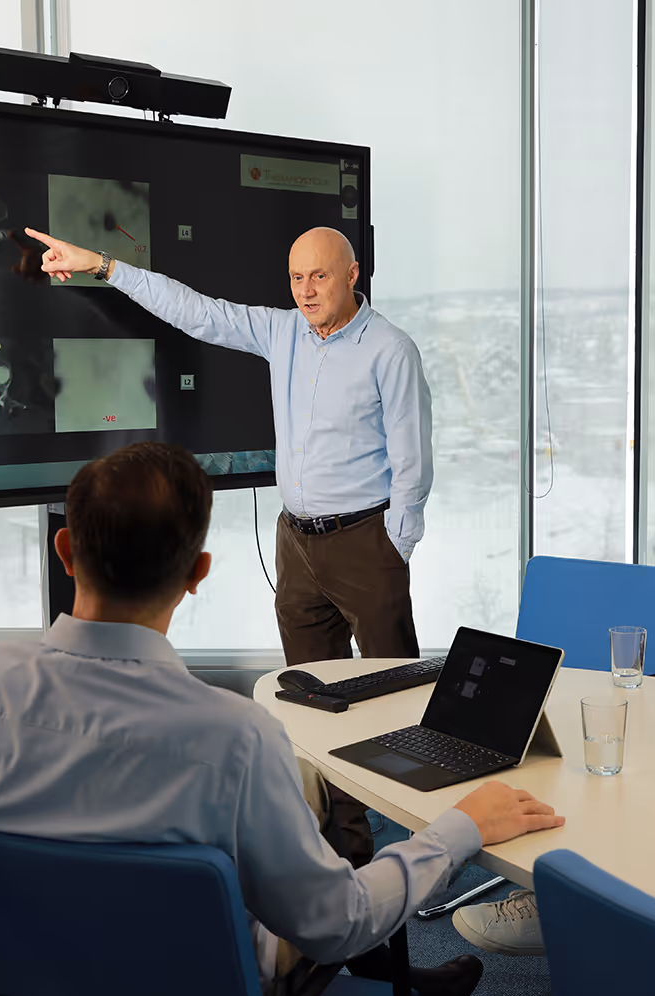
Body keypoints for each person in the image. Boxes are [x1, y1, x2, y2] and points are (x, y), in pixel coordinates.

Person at [0, 442, 564, 996]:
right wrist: (459, 827)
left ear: (66, 551)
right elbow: (335, 924)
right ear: (198, 574)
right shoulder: (236, 738)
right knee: (311, 860)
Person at [25, 225, 431, 668]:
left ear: (352, 274)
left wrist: (395, 546)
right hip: (296, 544)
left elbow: (412, 458)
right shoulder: (283, 330)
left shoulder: (391, 350)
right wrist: (102, 265)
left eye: (320, 276)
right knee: (313, 693)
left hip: (366, 542)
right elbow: (196, 311)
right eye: (297, 278)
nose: (307, 292)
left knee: (393, 687)